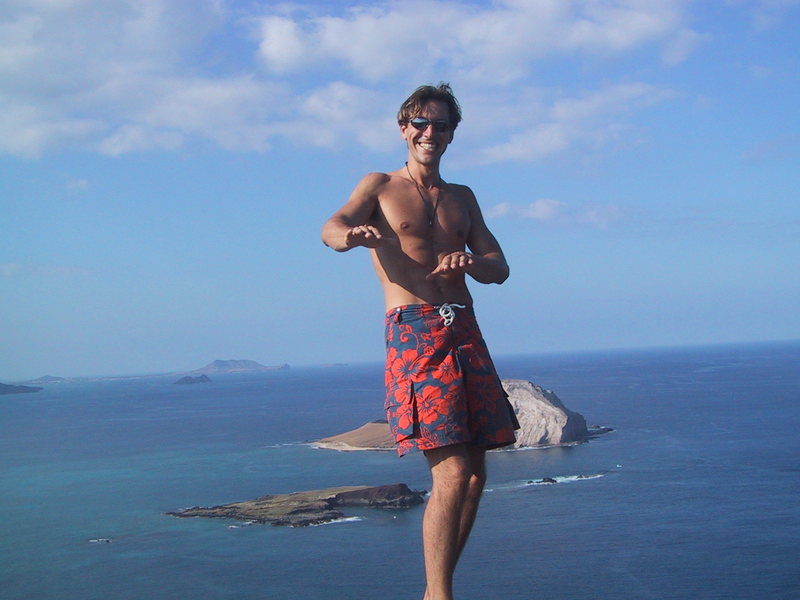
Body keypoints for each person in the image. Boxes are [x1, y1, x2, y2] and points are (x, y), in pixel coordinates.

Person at [321, 83, 519, 600]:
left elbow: (499, 268)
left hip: (465, 328)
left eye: (442, 125)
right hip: (414, 330)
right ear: (404, 127)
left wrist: (470, 262)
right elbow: (332, 225)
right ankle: (438, 595)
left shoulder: (463, 198)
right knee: (451, 470)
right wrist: (351, 237)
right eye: (421, 123)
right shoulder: (380, 185)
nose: (430, 133)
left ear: (453, 134)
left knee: (475, 477)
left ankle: (440, 588)